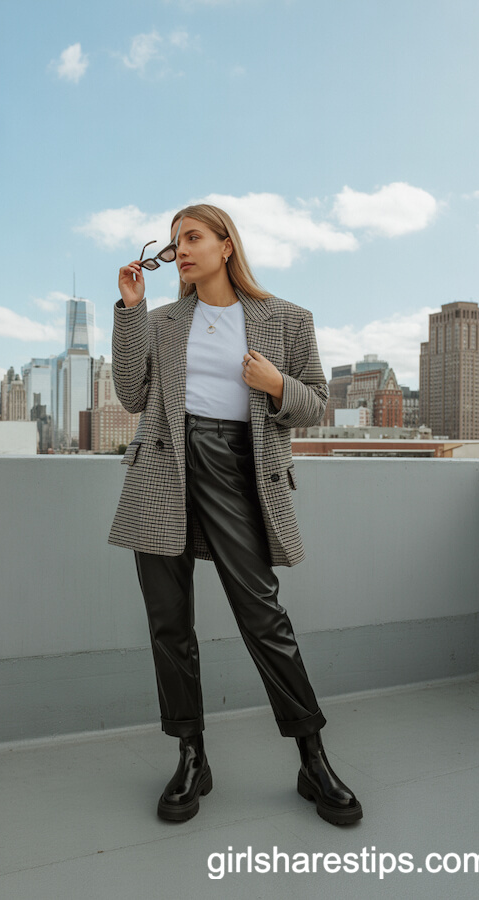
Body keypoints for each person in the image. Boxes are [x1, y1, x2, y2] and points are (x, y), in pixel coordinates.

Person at [109, 203, 362, 827]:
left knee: (263, 615)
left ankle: (312, 758)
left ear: (227, 245)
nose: (181, 250)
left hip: (235, 469)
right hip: (161, 471)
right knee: (169, 623)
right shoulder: (163, 320)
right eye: (174, 242)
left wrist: (277, 384)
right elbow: (132, 395)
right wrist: (132, 311)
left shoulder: (285, 318)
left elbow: (317, 406)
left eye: (193, 237)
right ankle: (191, 755)